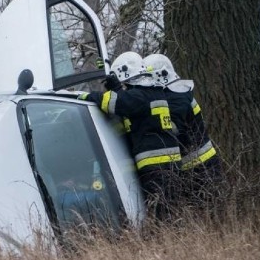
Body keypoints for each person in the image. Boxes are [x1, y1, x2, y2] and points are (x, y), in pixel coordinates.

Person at [80, 52, 182, 223]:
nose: (123, 86)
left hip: (155, 166)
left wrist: (87, 97)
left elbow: (114, 102)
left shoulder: (139, 96)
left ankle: (164, 243)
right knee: (169, 210)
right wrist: (117, 88)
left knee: (160, 215)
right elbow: (131, 106)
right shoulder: (154, 92)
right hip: (170, 164)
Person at [143, 53, 221, 208]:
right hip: (197, 164)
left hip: (199, 166)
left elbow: (172, 129)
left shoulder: (176, 97)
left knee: (206, 212)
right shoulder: (177, 92)